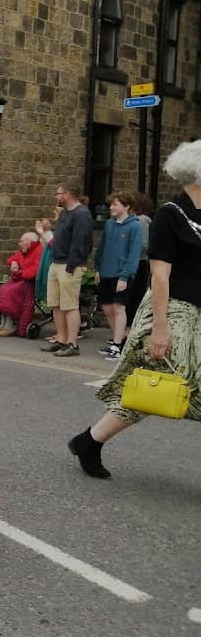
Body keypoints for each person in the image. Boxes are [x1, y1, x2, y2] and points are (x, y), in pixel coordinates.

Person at [69, 140, 201, 479]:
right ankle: (91, 440)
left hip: (199, 316)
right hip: (172, 312)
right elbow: (160, 275)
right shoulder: (171, 215)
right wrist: (160, 328)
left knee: (171, 388)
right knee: (154, 386)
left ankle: (89, 440)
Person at [40, 183, 94, 357]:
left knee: (70, 305)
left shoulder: (82, 214)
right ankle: (61, 338)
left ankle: (72, 343)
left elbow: (81, 241)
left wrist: (72, 264)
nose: (56, 197)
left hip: (70, 265)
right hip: (57, 262)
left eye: (58, 194)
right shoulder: (65, 213)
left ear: (68, 194)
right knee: (55, 303)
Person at [92, 191, 143, 360]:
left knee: (118, 308)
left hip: (121, 274)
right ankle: (117, 341)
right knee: (107, 308)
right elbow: (102, 247)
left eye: (115, 204)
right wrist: (97, 268)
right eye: (111, 204)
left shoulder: (135, 226)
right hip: (106, 271)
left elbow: (133, 254)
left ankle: (117, 345)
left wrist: (125, 276)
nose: (111, 207)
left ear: (126, 206)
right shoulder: (109, 224)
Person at [0, 231, 43, 337]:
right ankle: (4, 324)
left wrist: (20, 273)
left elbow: (35, 270)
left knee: (10, 292)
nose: (19, 243)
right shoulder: (25, 251)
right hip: (21, 279)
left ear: (29, 242)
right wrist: (13, 261)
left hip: (29, 283)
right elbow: (14, 257)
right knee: (3, 289)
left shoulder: (38, 251)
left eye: (22, 241)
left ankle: (10, 326)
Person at [125, 191, 153, 325]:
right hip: (135, 262)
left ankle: (131, 326)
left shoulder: (141, 221)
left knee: (134, 296)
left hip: (139, 263)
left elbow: (143, 245)